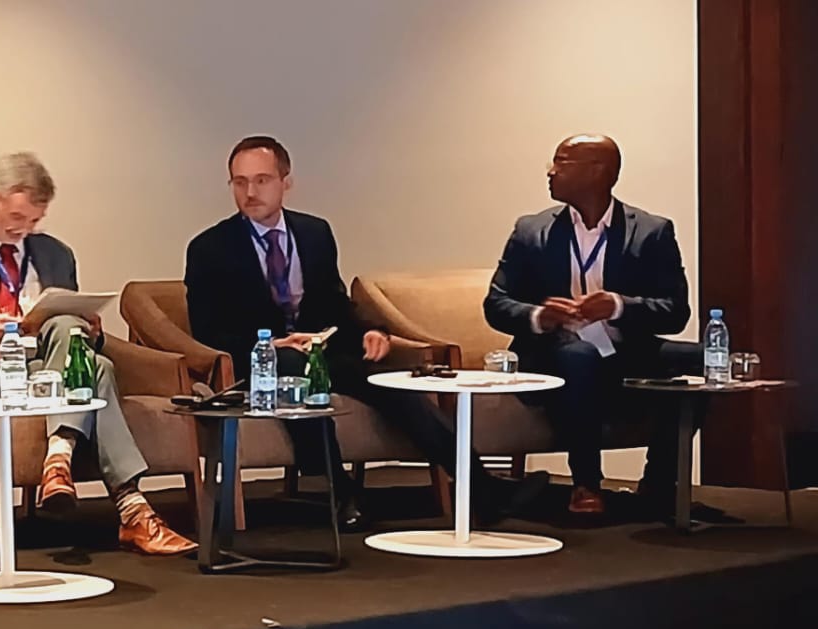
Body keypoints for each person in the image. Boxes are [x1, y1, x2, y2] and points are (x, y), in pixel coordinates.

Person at [185, 135, 544, 531]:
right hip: (259, 362)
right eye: (239, 182)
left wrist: (373, 330)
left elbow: (336, 303)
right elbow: (206, 330)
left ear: (286, 182)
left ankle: (482, 487)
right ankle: (340, 493)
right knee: (292, 369)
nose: (250, 192)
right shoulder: (209, 248)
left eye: (262, 180)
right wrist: (270, 343)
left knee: (393, 383)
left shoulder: (314, 233)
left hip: (320, 352)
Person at [0, 152, 196, 555]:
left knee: (74, 336)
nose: (23, 229)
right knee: (97, 369)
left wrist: (89, 329)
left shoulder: (55, 253)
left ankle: (63, 465)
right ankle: (129, 508)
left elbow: (69, 327)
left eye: (34, 221)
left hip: (51, 363)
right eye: (16, 217)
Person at [485, 134, 709, 519]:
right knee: (580, 356)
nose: (550, 171)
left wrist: (618, 306)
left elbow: (675, 312)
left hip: (625, 352)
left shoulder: (652, 231)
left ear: (597, 172)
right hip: (553, 354)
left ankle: (659, 481)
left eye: (561, 162)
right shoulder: (531, 230)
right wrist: (540, 316)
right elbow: (496, 304)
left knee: (707, 359)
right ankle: (586, 484)